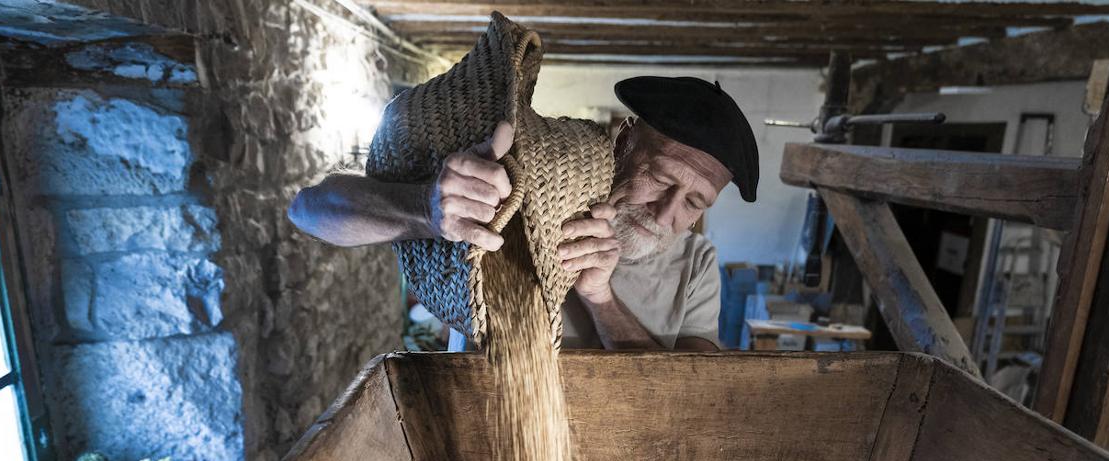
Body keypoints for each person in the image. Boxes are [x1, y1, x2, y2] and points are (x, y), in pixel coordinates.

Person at [288, 76, 758, 351]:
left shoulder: (696, 266)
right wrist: (425, 211)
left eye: (695, 204)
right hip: (485, 444)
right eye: (660, 178)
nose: (667, 212)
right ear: (625, 139)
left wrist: (601, 299)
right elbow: (309, 210)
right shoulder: (526, 189)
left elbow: (688, 398)